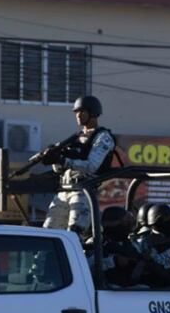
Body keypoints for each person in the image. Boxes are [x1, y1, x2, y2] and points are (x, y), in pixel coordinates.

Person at [42, 95, 116, 234]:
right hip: (64, 189)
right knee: (48, 233)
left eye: (82, 111)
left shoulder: (103, 137)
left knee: (74, 234)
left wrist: (64, 160)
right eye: (76, 112)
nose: (78, 115)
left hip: (83, 190)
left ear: (93, 113)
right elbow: (60, 169)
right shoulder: (76, 137)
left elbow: (92, 166)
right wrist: (55, 159)